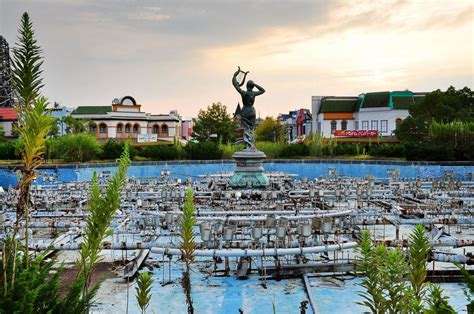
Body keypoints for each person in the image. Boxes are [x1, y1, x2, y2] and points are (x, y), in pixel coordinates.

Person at [232, 67, 265, 149]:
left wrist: (235, 75)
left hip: (245, 111)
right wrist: (255, 84)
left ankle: (248, 145)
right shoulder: (254, 93)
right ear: (253, 87)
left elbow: (235, 84)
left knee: (246, 128)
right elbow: (263, 90)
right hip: (252, 111)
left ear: (246, 86)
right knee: (252, 128)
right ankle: (251, 145)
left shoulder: (243, 93)